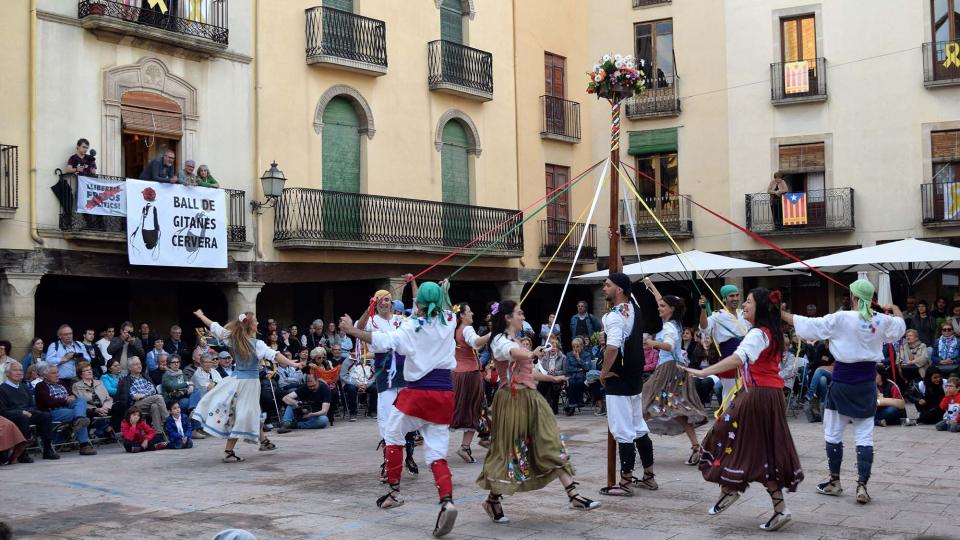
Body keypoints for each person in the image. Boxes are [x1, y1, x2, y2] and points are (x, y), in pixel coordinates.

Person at [339, 281, 460, 538]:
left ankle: (394, 492)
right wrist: (445, 291)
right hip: (445, 394)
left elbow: (382, 340)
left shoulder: (410, 327)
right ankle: (446, 501)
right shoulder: (449, 319)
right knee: (437, 452)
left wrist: (352, 331)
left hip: (417, 393)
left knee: (393, 434)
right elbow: (445, 308)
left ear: (417, 305)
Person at [684, 288, 803, 532]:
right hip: (768, 396)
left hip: (757, 395)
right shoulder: (769, 332)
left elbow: (739, 358)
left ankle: (731, 488)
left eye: (748, 301)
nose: (744, 305)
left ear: (759, 306)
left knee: (720, 431)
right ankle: (773, 506)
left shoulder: (758, 333)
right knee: (761, 450)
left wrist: (704, 371)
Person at [477, 299, 600, 523]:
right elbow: (512, 353)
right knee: (513, 451)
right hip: (513, 400)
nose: (523, 316)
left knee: (551, 440)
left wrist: (552, 376)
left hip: (531, 398)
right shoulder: (500, 340)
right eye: (519, 313)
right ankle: (493, 499)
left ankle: (573, 494)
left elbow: (530, 371)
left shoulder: (515, 340)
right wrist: (531, 352)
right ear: (507, 317)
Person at [784, 279, 905, 505]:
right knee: (864, 436)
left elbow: (809, 325)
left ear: (853, 298)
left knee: (833, 434)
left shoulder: (841, 318)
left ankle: (834, 482)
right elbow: (899, 325)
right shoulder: (882, 320)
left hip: (842, 384)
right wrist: (894, 308)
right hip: (867, 385)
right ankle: (862, 486)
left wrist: (781, 313)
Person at [192, 309, 297, 462]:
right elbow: (274, 355)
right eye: (256, 322)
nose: (258, 323)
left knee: (251, 413)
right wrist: (291, 363)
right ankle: (229, 451)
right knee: (243, 416)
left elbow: (214, 327)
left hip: (237, 381)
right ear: (250, 326)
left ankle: (264, 442)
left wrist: (201, 316)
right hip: (249, 384)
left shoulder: (233, 338)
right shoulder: (256, 344)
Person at [596, 272, 657, 497]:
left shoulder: (613, 316)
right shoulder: (634, 306)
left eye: (608, 284)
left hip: (619, 378)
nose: (604, 288)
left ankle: (625, 483)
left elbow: (612, 348)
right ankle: (649, 476)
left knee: (623, 431)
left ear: (619, 289)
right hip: (635, 377)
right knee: (638, 427)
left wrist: (603, 372)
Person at [642, 280, 707, 464]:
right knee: (678, 410)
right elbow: (660, 300)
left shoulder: (670, 327)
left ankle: (635, 442)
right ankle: (696, 447)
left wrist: (653, 343)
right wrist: (651, 285)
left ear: (671, 309)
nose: (659, 308)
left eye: (662, 306)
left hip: (668, 369)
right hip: (676, 368)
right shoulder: (675, 323)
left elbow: (669, 346)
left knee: (644, 401)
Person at [448, 302, 492, 463]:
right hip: (470, 375)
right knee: (476, 410)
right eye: (469, 311)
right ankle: (475, 442)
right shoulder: (466, 329)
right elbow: (475, 342)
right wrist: (491, 334)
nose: (472, 313)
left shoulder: (454, 330)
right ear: (462, 315)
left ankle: (467, 446)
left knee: (466, 409)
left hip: (457, 374)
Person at [698, 285, 751, 408]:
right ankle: (727, 423)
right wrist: (703, 309)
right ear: (724, 299)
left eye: (737, 295)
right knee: (730, 396)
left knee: (748, 395)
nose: (735, 298)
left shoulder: (744, 314)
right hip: (729, 362)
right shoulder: (718, 316)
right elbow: (704, 327)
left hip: (747, 363)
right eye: (731, 296)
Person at [34, 361, 97, 455]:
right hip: (54, 411)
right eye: (53, 373)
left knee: (80, 400)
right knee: (81, 416)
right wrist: (64, 400)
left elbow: (72, 395)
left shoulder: (62, 383)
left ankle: (79, 418)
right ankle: (84, 445)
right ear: (45, 375)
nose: (57, 375)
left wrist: (73, 397)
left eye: (57, 372)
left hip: (69, 407)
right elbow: (47, 402)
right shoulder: (40, 386)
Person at [0, 362, 59, 461]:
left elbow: (32, 405)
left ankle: (47, 449)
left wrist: (30, 411)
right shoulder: (2, 389)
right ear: (7, 373)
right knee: (22, 418)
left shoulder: (24, 387)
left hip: (28, 413)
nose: (19, 372)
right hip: (12, 416)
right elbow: (3, 411)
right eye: (15, 370)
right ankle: (22, 453)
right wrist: (21, 412)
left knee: (45, 416)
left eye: (21, 370)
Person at [115, 356, 168, 436]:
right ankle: (168, 420)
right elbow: (133, 395)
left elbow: (153, 389)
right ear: (130, 368)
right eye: (136, 364)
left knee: (155, 406)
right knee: (158, 397)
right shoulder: (126, 380)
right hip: (136, 405)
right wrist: (146, 394)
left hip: (148, 401)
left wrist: (143, 395)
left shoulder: (145, 376)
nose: (139, 366)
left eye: (139, 363)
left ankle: (158, 433)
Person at [72, 361, 113, 439]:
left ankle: (101, 430)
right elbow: (81, 401)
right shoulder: (76, 386)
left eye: (90, 369)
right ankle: (105, 429)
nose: (90, 371)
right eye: (86, 370)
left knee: (120, 406)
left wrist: (106, 407)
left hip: (104, 407)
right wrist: (97, 409)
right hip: (91, 409)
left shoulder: (99, 382)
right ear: (81, 374)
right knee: (88, 412)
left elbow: (108, 398)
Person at [536, 334, 566, 415]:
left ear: (558, 348)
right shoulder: (545, 357)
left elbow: (565, 371)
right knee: (541, 385)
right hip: (547, 377)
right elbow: (543, 369)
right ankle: (541, 406)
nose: (553, 348)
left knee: (554, 387)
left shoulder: (563, 357)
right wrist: (548, 371)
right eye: (551, 347)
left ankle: (554, 407)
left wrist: (555, 372)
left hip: (558, 378)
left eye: (555, 347)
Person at [564, 337, 591, 416]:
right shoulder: (569, 354)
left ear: (582, 346)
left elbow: (587, 367)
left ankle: (573, 404)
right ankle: (577, 402)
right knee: (571, 382)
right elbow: (567, 368)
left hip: (582, 376)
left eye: (577, 346)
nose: (575, 349)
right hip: (571, 375)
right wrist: (579, 369)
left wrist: (578, 358)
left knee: (579, 382)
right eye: (573, 347)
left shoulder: (587, 354)